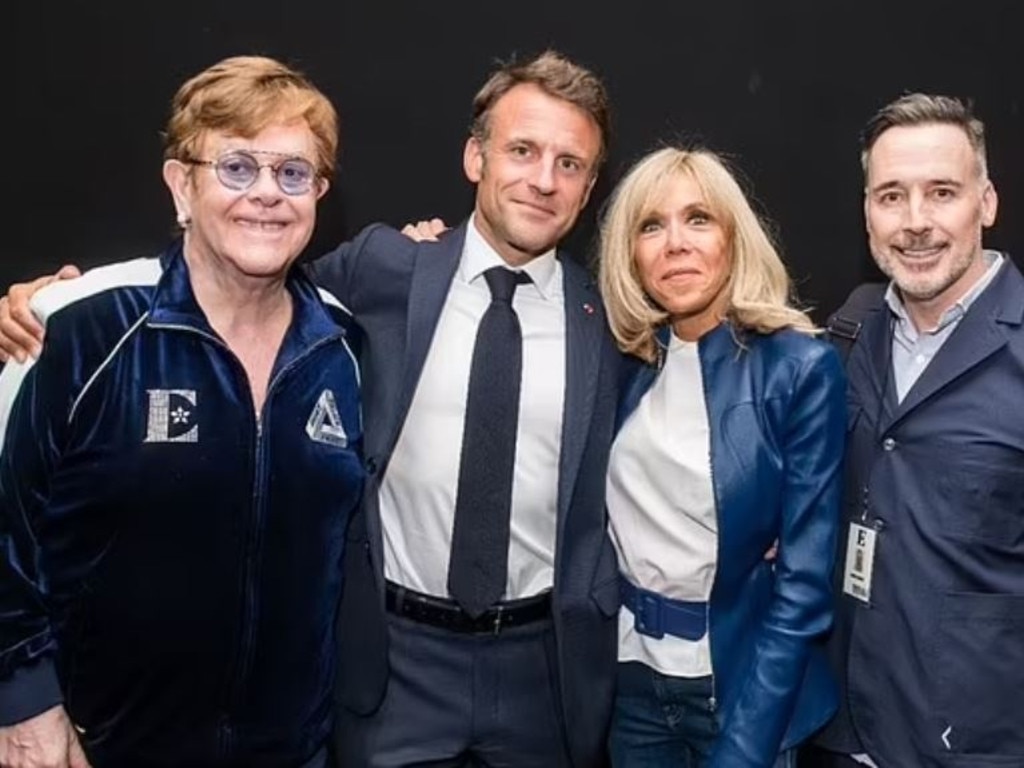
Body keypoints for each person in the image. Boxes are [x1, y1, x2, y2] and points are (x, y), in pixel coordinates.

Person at [0, 49, 623, 767]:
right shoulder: (383, 272)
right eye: (521, 149)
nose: (543, 179)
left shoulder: (610, 322)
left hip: (527, 677)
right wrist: (39, 305)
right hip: (381, 674)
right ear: (474, 158)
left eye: (569, 163)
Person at [0, 55, 363, 768]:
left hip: (289, 751)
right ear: (181, 185)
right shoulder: (78, 326)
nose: (267, 194)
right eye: (236, 167)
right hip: (90, 745)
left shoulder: (343, 349)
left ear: (318, 193)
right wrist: (22, 701)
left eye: (293, 173)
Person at [598, 146, 846, 767]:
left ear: (735, 239)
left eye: (699, 220)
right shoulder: (620, 361)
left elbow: (805, 590)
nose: (675, 243)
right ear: (630, 253)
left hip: (739, 692)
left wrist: (746, 746)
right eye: (651, 226)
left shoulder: (800, 369)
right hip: (629, 688)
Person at [805, 94, 1024, 767]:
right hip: (839, 733)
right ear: (867, 212)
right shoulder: (851, 328)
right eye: (891, 196)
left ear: (986, 203)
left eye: (943, 192)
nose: (916, 222)